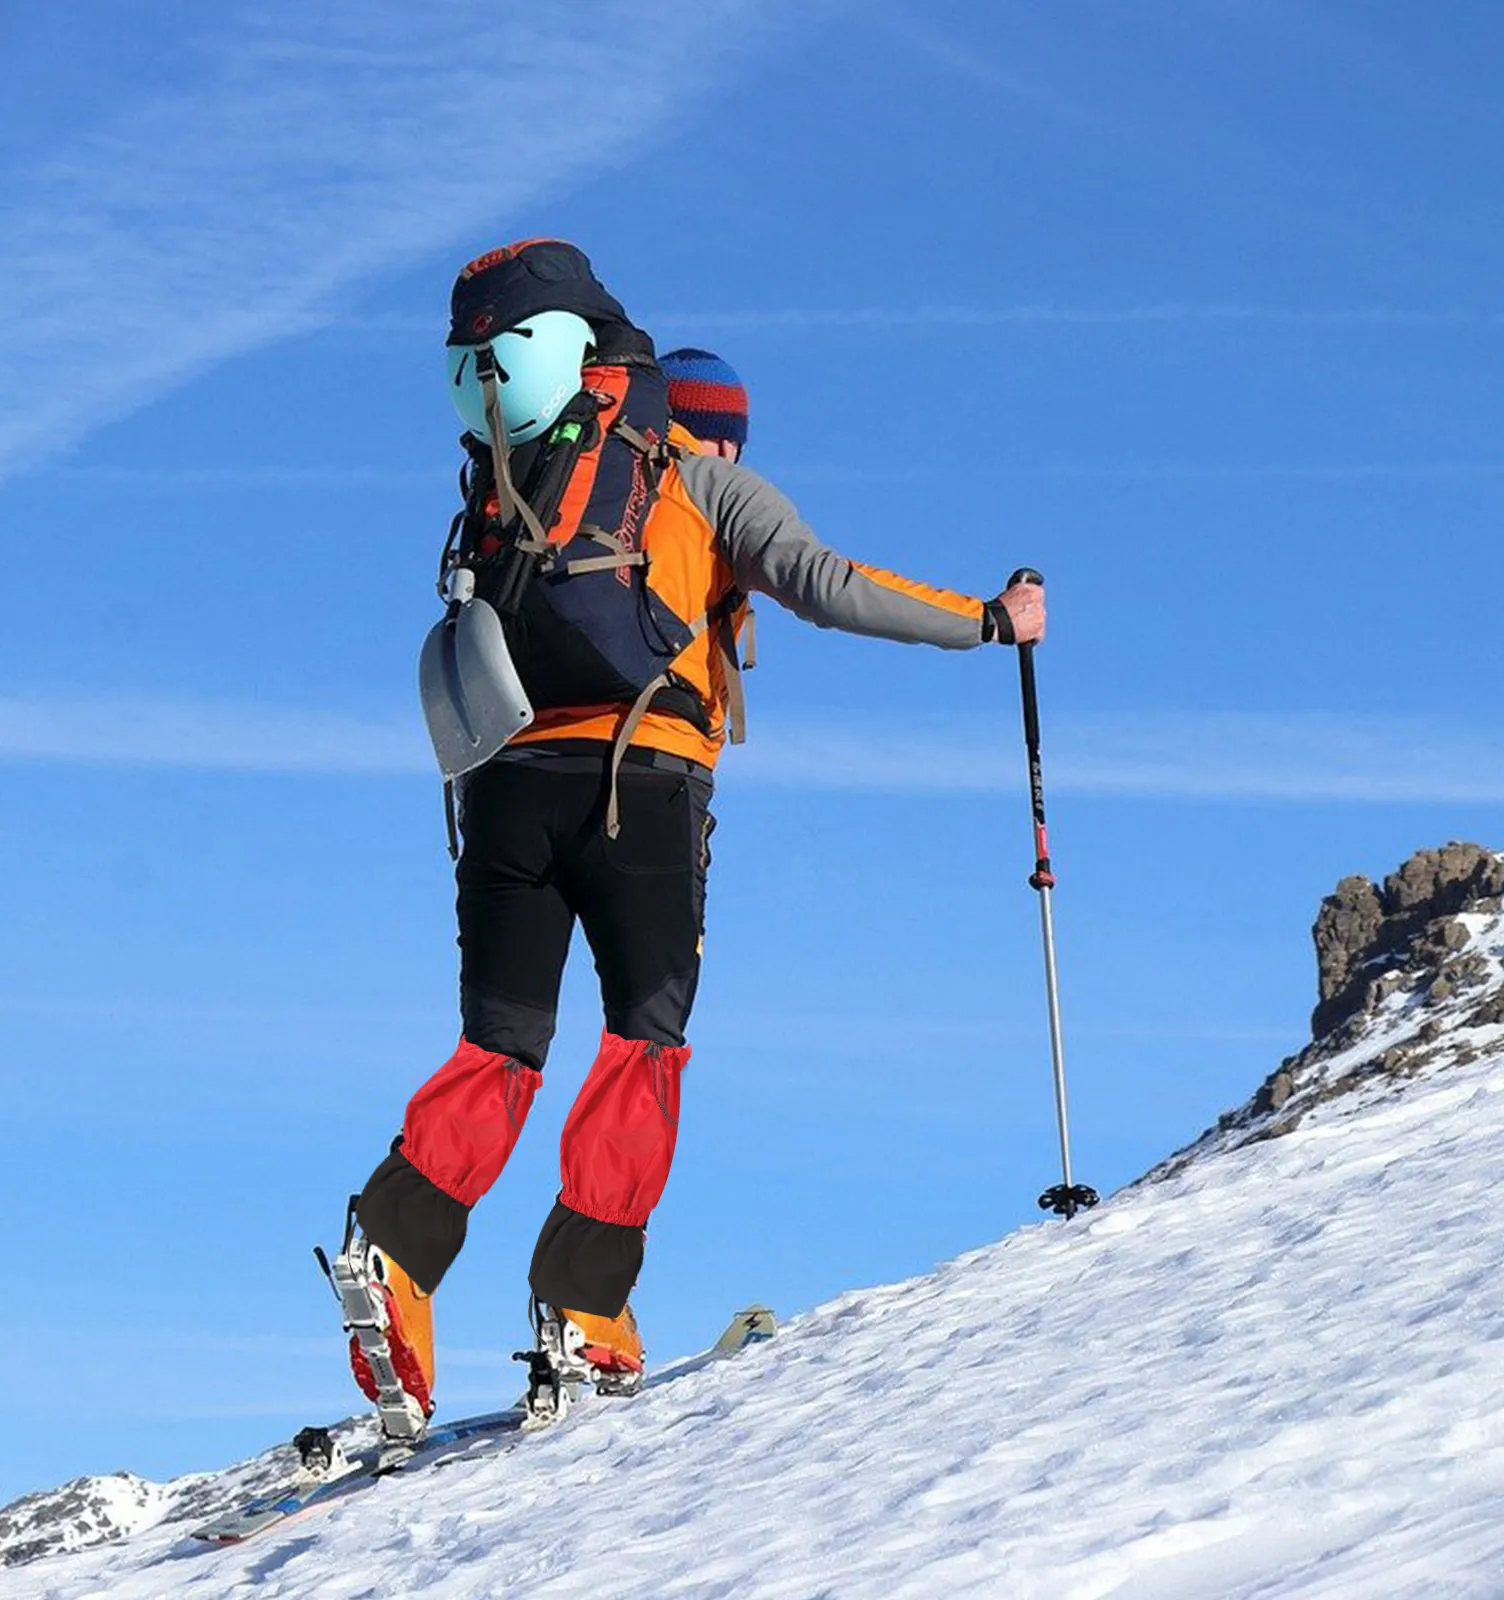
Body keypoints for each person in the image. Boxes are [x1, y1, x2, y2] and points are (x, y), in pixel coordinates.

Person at [345, 240, 1045, 1430]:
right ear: (716, 425)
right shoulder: (703, 484)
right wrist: (989, 620)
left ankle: (397, 1252)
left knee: (500, 1045)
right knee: (642, 1045)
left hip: (507, 787)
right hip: (643, 790)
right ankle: (582, 1311)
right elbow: (827, 581)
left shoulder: (526, 479)